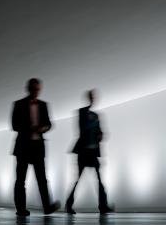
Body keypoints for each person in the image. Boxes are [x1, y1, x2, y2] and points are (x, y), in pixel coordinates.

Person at [11, 78, 60, 216]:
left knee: (42, 179)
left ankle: (47, 207)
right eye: (33, 89)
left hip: (38, 146)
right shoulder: (18, 104)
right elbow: (14, 125)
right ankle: (21, 209)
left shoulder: (44, 105)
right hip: (23, 146)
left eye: (38, 89)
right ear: (28, 88)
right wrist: (30, 128)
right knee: (20, 180)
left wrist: (43, 127)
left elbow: (50, 124)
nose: (35, 92)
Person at [65, 89, 113, 214]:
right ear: (88, 98)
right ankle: (69, 205)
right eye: (92, 97)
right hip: (83, 151)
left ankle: (103, 206)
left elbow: (99, 131)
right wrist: (95, 127)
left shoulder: (96, 116)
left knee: (98, 179)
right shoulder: (82, 112)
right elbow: (82, 128)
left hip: (93, 151)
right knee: (78, 179)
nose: (93, 99)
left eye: (94, 97)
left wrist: (101, 135)